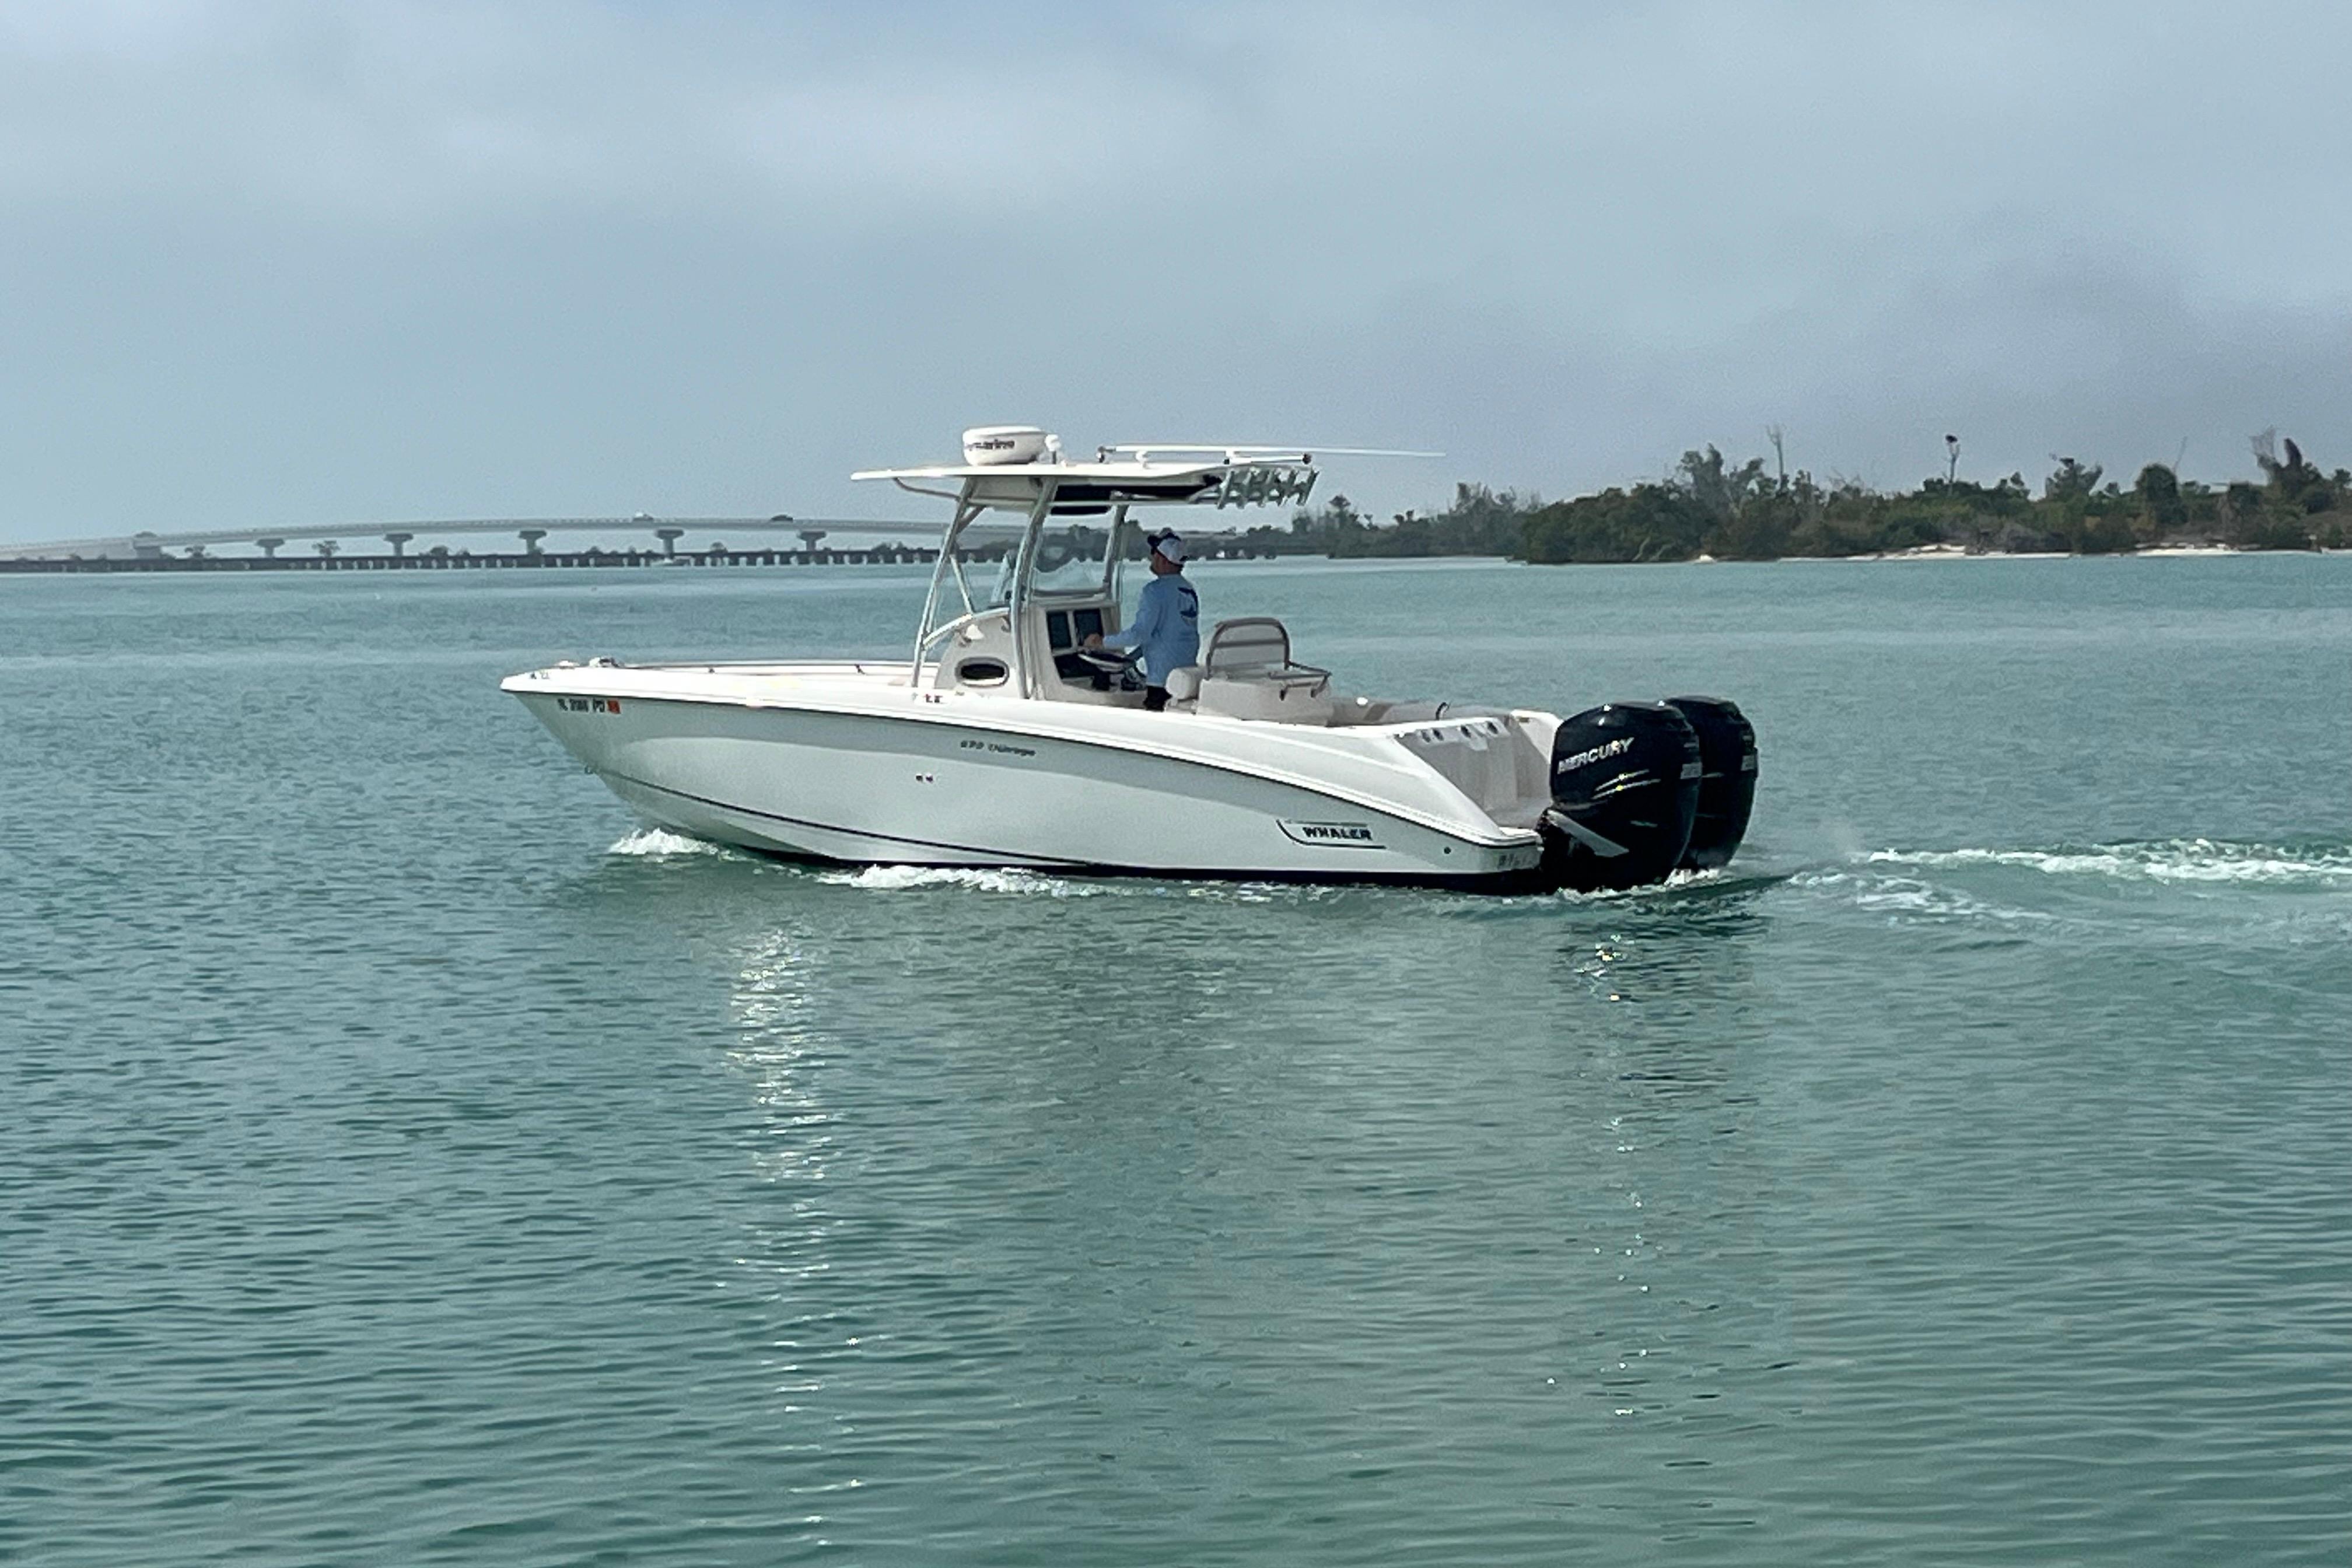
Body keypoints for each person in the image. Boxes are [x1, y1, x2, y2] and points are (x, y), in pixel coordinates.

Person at [1087, 528, 1199, 710]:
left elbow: (1139, 634)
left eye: (1153, 554)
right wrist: (1130, 659)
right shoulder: (1187, 589)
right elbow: (1163, 635)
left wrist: (1101, 642)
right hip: (1185, 677)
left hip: (1161, 681)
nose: (1151, 558)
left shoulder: (1155, 591)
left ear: (1163, 559)